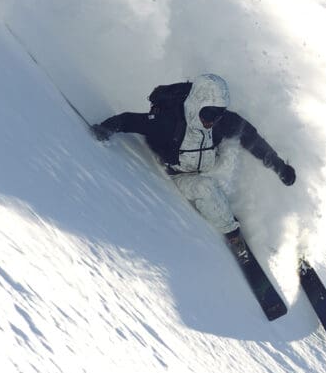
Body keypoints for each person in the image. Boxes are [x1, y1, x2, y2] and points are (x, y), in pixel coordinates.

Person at [91, 73, 295, 255]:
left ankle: (238, 215)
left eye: (217, 114)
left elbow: (252, 139)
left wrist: (279, 166)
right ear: (196, 104)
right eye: (208, 114)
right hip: (179, 172)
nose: (211, 120)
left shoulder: (222, 122)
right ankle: (233, 235)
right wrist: (106, 128)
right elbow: (129, 120)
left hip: (206, 164)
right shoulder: (168, 122)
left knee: (230, 164)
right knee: (206, 188)